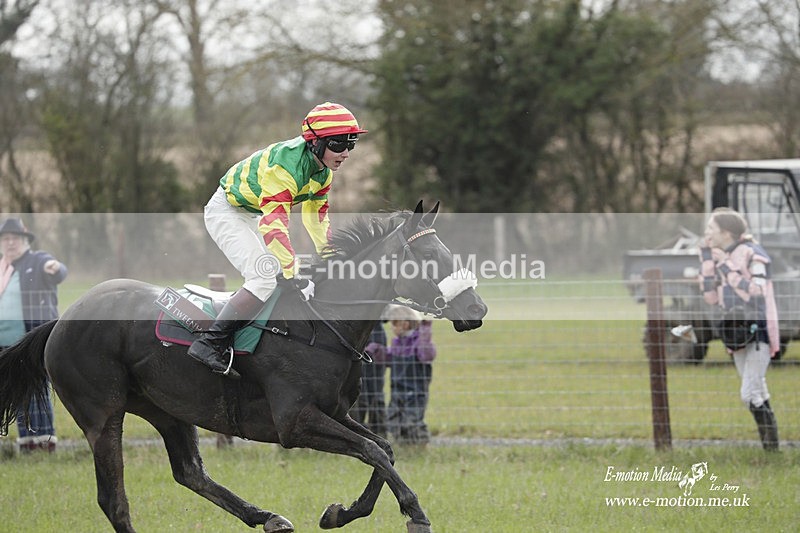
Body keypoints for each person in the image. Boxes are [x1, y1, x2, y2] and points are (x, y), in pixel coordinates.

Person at [188, 102, 367, 378]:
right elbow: (274, 226)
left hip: (254, 213)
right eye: (338, 144)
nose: (345, 153)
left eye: (350, 144)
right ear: (315, 142)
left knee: (282, 274)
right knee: (265, 278)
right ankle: (209, 343)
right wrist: (292, 273)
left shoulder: (323, 173)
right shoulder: (285, 167)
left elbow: (316, 220)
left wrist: (333, 257)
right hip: (227, 212)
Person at [699, 207, 780, 451]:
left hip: (757, 330)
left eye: (711, 228)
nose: (707, 233)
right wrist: (707, 261)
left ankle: (772, 447)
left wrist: (726, 266)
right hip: (735, 332)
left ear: (726, 232)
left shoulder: (753, 254)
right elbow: (711, 298)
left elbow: (756, 290)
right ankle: (772, 450)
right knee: (757, 389)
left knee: (749, 393)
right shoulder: (722, 257)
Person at [0, 218, 67, 453]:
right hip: (5, 344)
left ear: (25, 241)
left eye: (15, 238)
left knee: (36, 391)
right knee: (13, 391)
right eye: (6, 239)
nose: (10, 243)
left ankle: (43, 444)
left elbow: (57, 270)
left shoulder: (37, 260)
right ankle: (26, 444)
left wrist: (55, 268)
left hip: (30, 342)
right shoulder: (2, 268)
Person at [385, 305, 437, 445]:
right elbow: (388, 357)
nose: (391, 327)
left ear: (405, 324)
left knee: (412, 420)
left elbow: (427, 355)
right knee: (393, 419)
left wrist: (425, 333)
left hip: (415, 392)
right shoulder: (397, 343)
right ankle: (403, 444)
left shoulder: (420, 343)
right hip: (397, 390)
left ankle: (421, 444)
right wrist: (375, 351)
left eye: (394, 324)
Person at [350, 321, 389, 436]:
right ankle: (356, 431)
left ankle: (379, 433)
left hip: (374, 336)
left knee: (376, 394)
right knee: (358, 394)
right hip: (358, 331)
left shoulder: (378, 331)